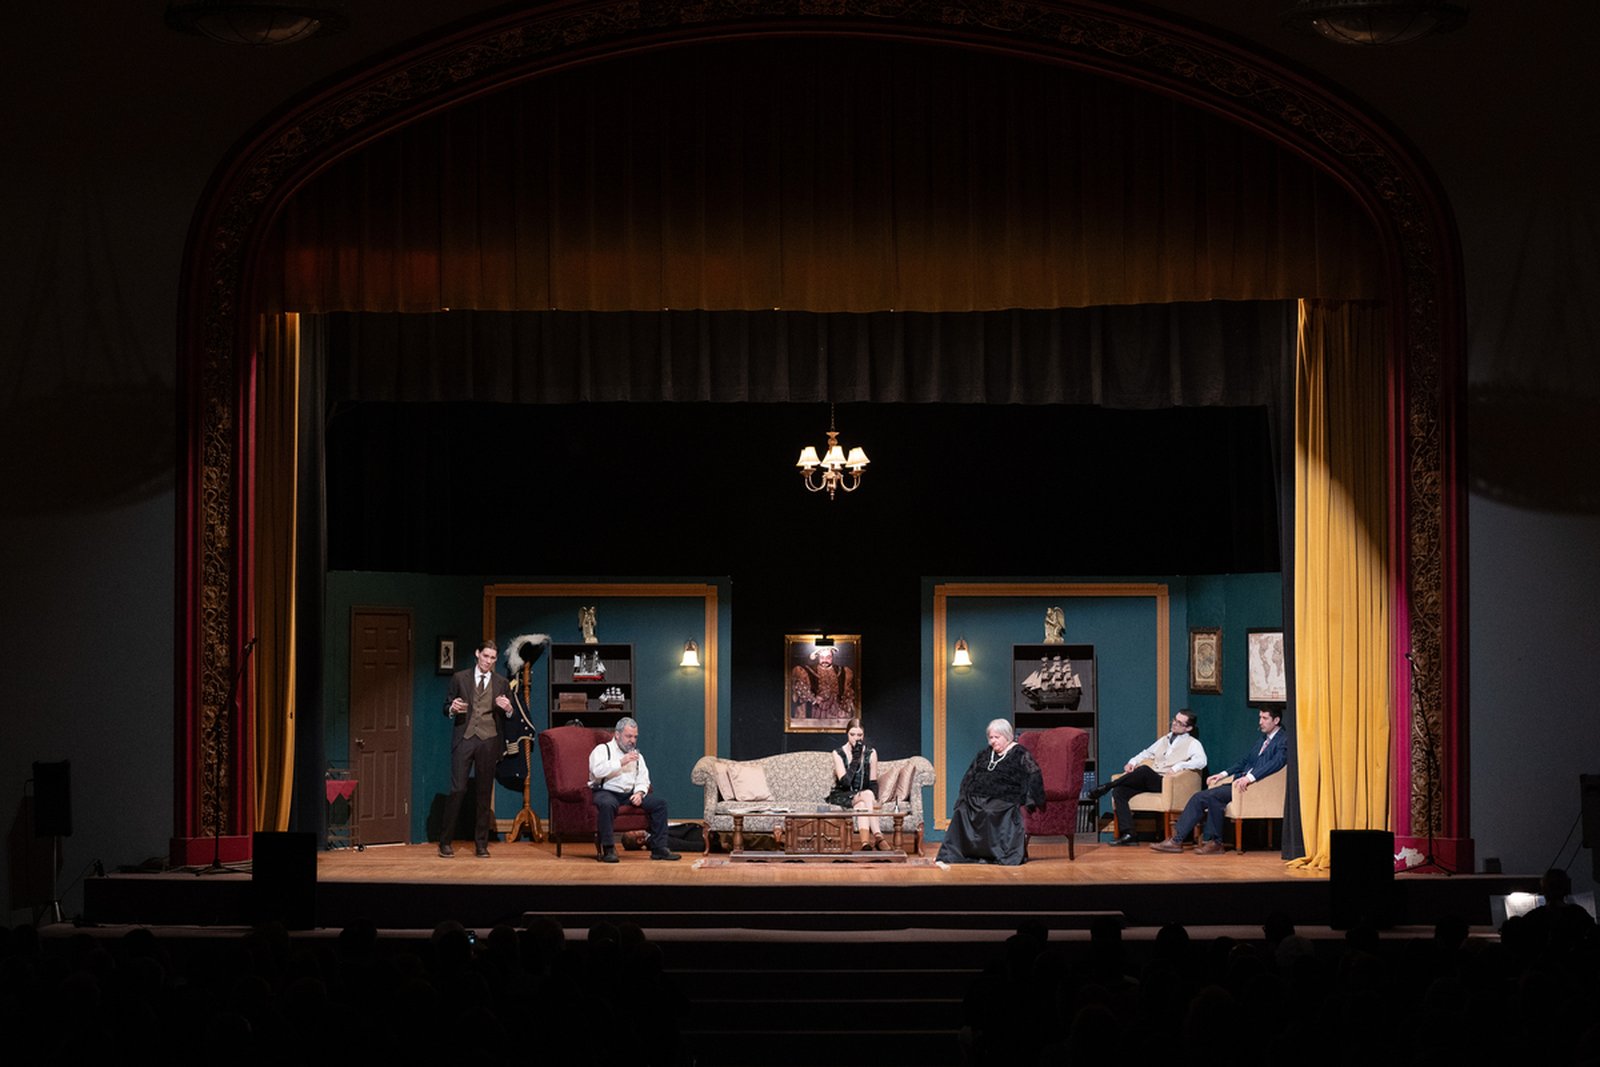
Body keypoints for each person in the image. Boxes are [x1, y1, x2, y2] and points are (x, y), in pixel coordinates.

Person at [1151, 707, 1286, 855]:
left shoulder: (1283, 739)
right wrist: (1222, 775)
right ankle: (1214, 843)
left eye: (1264, 718)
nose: (1260, 722)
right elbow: (1245, 761)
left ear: (1276, 720)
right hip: (1240, 783)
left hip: (1256, 786)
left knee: (1200, 797)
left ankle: (1178, 841)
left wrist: (1249, 778)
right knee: (1213, 799)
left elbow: (1276, 763)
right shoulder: (1263, 740)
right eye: (1260, 717)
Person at [440, 640, 515, 857]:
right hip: (464, 738)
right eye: (485, 656)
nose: (488, 661)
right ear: (477, 654)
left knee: (484, 793)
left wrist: (509, 709)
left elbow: (509, 713)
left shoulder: (501, 683)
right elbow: (446, 708)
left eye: (492, 658)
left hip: (488, 740)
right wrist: (452, 708)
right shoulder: (459, 678)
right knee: (458, 790)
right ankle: (445, 842)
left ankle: (481, 844)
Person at [1088, 709, 1207, 845]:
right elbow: (1146, 753)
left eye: (1179, 722)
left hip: (1166, 782)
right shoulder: (1165, 739)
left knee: (1144, 770)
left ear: (1188, 728)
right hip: (1150, 779)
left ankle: (1107, 786)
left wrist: (1178, 767)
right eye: (1174, 720)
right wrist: (1132, 762)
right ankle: (1129, 834)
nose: (1174, 723)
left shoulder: (1193, 743)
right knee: (1120, 791)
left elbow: (1201, 761)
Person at [936, 719, 1046, 865]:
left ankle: (993, 854)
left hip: (1004, 797)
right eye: (991, 737)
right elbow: (970, 774)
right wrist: (964, 795)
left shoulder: (1020, 753)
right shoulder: (985, 753)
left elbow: (1034, 773)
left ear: (1007, 736)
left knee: (989, 811)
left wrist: (1030, 798)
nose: (993, 741)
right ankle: (957, 853)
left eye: (996, 737)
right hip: (978, 796)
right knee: (962, 810)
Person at [588, 716, 680, 863]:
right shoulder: (602, 750)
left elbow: (643, 777)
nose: (632, 740)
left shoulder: (638, 756)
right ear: (617, 735)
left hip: (629, 793)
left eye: (635, 737)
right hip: (606, 790)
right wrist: (620, 762)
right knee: (606, 804)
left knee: (660, 804)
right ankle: (609, 848)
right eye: (628, 736)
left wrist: (640, 792)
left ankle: (658, 848)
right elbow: (596, 771)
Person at [827, 718, 888, 851]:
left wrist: (873, 800)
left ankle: (865, 843)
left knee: (863, 802)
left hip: (864, 797)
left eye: (859, 735)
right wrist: (855, 758)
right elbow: (845, 783)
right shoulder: (838, 753)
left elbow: (872, 783)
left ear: (863, 735)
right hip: (843, 794)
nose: (856, 738)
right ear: (847, 734)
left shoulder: (871, 753)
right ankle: (878, 836)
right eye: (852, 734)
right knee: (866, 795)